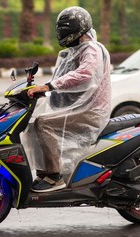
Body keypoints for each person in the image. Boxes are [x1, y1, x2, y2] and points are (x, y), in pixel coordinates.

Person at [24, 6, 111, 193]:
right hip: (80, 107)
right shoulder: (77, 50)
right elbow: (63, 77)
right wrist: (40, 89)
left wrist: (49, 86)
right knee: (32, 124)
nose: (62, 32)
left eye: (66, 28)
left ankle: (55, 178)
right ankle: (44, 173)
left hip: (91, 111)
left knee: (43, 123)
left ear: (77, 29)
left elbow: (85, 74)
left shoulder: (91, 49)